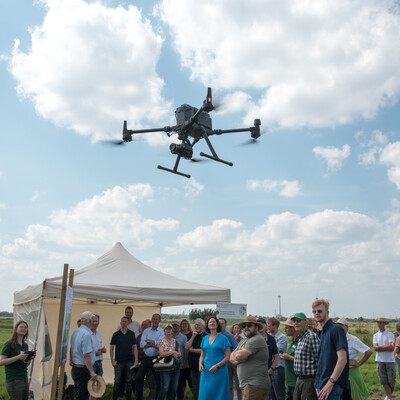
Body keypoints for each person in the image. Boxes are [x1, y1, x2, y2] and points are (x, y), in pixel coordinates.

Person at [313, 299, 349, 400]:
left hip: (333, 385)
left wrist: (330, 382)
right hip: (322, 384)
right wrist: (318, 383)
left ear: (327, 312)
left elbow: (342, 359)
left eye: (319, 311)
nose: (316, 313)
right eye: (314, 311)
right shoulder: (323, 331)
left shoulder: (336, 330)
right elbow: (323, 360)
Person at [230, 316, 270, 400]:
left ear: (256, 327)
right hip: (248, 385)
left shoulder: (257, 339)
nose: (246, 328)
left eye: (249, 325)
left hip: (254, 385)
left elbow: (238, 356)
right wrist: (240, 359)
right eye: (244, 326)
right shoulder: (244, 340)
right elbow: (231, 357)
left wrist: (238, 357)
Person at [336, 318, 372, 400]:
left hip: (351, 371)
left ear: (347, 327)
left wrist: (359, 363)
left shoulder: (352, 339)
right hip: (338, 371)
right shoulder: (336, 338)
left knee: (355, 395)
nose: (339, 327)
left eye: (341, 325)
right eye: (337, 325)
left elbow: (368, 351)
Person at [199, 316, 232, 400]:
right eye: (210, 322)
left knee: (218, 395)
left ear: (217, 325)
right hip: (206, 371)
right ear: (208, 325)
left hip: (219, 370)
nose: (212, 323)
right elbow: (202, 355)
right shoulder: (205, 338)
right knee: (205, 395)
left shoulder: (223, 338)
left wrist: (217, 366)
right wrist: (200, 364)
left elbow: (228, 357)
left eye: (214, 322)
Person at [0, 320, 34, 400]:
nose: (23, 329)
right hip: (13, 379)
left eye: (25, 327)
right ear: (16, 329)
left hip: (24, 378)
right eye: (21, 327)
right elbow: (1, 362)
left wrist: (29, 358)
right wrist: (18, 357)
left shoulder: (25, 345)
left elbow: (25, 364)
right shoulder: (9, 344)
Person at [136, 313, 165, 400]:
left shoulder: (162, 331)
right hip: (146, 358)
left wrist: (149, 342)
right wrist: (154, 343)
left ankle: (156, 398)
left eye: (157, 319)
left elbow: (161, 344)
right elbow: (141, 344)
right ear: (151, 320)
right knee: (138, 377)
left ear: (159, 321)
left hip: (156, 358)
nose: (155, 320)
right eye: (154, 319)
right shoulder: (146, 331)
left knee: (157, 380)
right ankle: (139, 398)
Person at [291, 312, 319, 400]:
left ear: (305, 323)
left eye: (298, 321)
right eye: (294, 321)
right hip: (299, 379)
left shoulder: (311, 337)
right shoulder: (301, 338)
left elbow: (319, 359)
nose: (296, 323)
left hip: (309, 380)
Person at [70, 311, 97, 400]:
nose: (93, 322)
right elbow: (86, 355)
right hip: (83, 369)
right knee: (82, 396)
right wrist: (92, 371)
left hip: (75, 367)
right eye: (92, 320)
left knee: (78, 394)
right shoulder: (87, 334)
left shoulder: (76, 332)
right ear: (89, 321)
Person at [110, 316, 139, 400]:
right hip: (118, 361)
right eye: (122, 321)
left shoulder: (131, 334)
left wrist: (136, 360)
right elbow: (111, 348)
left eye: (125, 321)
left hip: (129, 361)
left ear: (127, 323)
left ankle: (128, 398)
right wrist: (112, 361)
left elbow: (135, 347)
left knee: (129, 381)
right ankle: (115, 398)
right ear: (120, 323)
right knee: (117, 381)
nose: (123, 323)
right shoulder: (115, 334)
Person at [373, 317, 396, 400]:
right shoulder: (375, 335)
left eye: (381, 323)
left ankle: (388, 396)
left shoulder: (390, 334)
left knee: (391, 381)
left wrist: (380, 348)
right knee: (383, 380)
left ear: (384, 324)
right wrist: (385, 347)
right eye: (378, 323)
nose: (379, 324)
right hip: (379, 360)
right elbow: (375, 348)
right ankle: (389, 397)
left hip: (389, 360)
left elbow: (391, 347)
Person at [157, 325, 181, 400]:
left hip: (175, 366)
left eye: (170, 329)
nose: (168, 331)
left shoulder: (175, 341)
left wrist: (176, 354)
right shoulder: (161, 341)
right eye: (166, 329)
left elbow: (179, 354)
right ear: (164, 331)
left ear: (172, 331)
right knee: (165, 387)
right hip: (165, 367)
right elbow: (161, 354)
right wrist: (173, 352)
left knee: (173, 388)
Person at [185, 319, 206, 400]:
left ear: (203, 326)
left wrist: (192, 350)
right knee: (195, 386)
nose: (196, 326)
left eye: (198, 325)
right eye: (195, 324)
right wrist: (193, 336)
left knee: (202, 386)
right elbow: (186, 346)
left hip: (202, 365)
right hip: (193, 365)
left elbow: (204, 350)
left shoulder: (205, 336)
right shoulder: (192, 335)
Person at [257, 318, 279, 396]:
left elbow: (276, 356)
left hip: (267, 374)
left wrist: (272, 369)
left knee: (267, 395)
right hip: (254, 374)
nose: (260, 326)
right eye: (258, 324)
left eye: (262, 324)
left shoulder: (271, 339)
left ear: (266, 326)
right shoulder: (252, 339)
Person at [267, 317, 287, 400]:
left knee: (279, 394)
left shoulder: (282, 338)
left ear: (275, 326)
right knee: (272, 395)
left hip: (278, 368)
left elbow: (274, 351)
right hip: (270, 368)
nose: (267, 327)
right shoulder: (269, 338)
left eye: (269, 326)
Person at [219, 318, 239, 400]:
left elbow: (237, 348)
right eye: (219, 323)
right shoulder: (214, 335)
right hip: (218, 364)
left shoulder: (229, 336)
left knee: (231, 386)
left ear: (225, 325)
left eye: (222, 323)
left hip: (229, 364)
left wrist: (233, 362)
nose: (220, 325)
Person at [279, 317, 299, 400]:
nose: (285, 329)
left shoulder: (299, 341)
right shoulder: (292, 341)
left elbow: (304, 360)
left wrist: (289, 357)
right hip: (290, 381)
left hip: (296, 381)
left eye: (286, 327)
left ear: (293, 328)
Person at [136, 319, 156, 400]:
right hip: (142, 360)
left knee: (152, 380)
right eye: (143, 325)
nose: (144, 327)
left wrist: (146, 345)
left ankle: (152, 398)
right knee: (138, 378)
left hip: (152, 359)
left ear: (150, 326)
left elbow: (154, 345)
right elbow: (137, 348)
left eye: (146, 325)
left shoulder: (152, 335)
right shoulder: (139, 337)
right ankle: (139, 397)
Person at [177, 319, 193, 400]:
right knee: (182, 381)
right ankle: (181, 397)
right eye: (182, 324)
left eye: (186, 324)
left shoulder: (192, 334)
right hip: (181, 360)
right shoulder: (178, 335)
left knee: (191, 380)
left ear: (188, 325)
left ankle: (195, 396)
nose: (184, 325)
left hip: (190, 360)